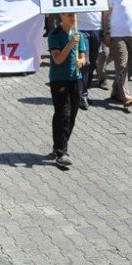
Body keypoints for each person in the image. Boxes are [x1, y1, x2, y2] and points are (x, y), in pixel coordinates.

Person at [46, 12, 87, 167]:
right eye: (69, 14)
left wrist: (81, 62)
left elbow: (84, 57)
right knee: (63, 114)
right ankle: (62, 153)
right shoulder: (54, 35)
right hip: (59, 80)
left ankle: (59, 146)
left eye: (74, 14)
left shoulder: (79, 34)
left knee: (72, 116)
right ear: (62, 16)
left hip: (76, 79)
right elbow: (57, 59)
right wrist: (70, 43)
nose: (72, 17)